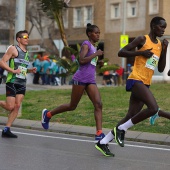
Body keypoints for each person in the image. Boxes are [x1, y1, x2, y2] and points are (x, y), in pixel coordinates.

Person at [95, 16, 169, 154]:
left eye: (165, 27)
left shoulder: (160, 44)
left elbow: (160, 68)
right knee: (153, 108)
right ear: (153, 26)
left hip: (145, 83)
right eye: (161, 27)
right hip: (135, 79)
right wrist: (140, 53)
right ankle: (121, 130)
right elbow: (121, 52)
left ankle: (103, 142)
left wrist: (164, 50)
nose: (163, 30)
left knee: (129, 117)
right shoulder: (142, 39)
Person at [41, 23, 114, 156]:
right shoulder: (86, 44)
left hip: (90, 80)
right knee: (72, 106)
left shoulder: (94, 46)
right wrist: (96, 55)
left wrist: (98, 62)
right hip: (80, 79)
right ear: (89, 34)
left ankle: (99, 133)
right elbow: (81, 60)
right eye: (96, 33)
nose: (98, 34)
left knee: (98, 104)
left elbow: (89, 63)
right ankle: (48, 114)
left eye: (99, 32)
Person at [0, 30, 37, 138]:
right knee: (10, 106)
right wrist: (12, 71)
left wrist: (30, 70)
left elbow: (22, 69)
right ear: (18, 39)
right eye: (25, 37)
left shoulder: (26, 53)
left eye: (28, 37)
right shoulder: (13, 49)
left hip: (22, 83)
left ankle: (7, 129)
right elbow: (2, 62)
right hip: (12, 81)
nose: (27, 39)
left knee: (17, 106)